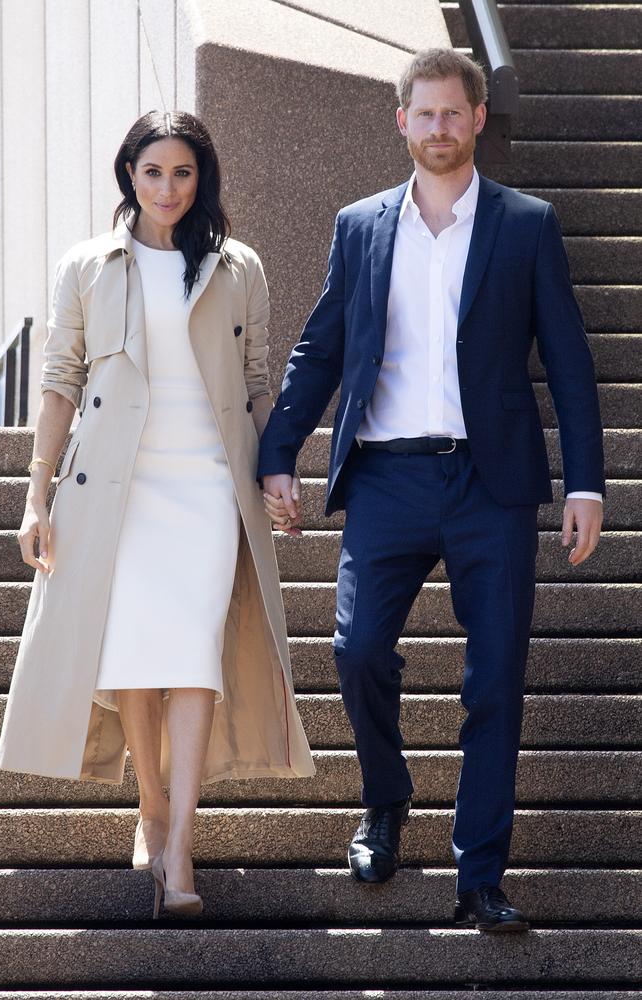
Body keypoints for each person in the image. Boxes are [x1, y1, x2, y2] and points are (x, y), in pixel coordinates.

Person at [259, 49, 604, 931]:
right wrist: (278, 453)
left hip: (493, 486)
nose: (440, 129)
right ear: (401, 120)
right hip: (387, 475)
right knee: (357, 648)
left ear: (478, 119)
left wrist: (587, 484)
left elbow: (568, 361)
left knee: (496, 682)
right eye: (426, 114)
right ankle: (386, 802)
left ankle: (480, 874)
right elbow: (319, 350)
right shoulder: (361, 225)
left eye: (455, 114)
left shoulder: (526, 224)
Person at [0, 110, 314, 918]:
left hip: (208, 485)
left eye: (183, 173)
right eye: (152, 172)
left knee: (192, 656)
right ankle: (153, 808)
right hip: (116, 489)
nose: (168, 188)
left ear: (201, 178)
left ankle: (179, 850)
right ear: (128, 175)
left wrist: (276, 468)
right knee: (135, 656)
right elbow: (61, 380)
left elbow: (256, 379)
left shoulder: (237, 264)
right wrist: (37, 493)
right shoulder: (89, 265)